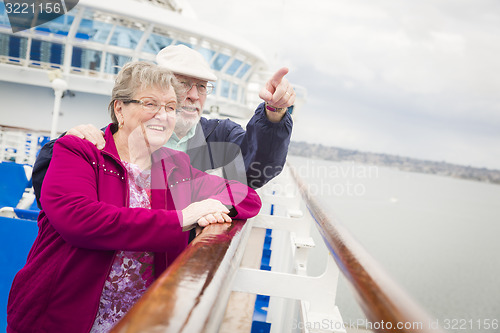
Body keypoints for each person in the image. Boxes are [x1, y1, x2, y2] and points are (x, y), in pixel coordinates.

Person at [7, 61, 262, 333]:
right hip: (60, 319)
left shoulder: (174, 167)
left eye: (170, 107)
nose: (162, 116)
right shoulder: (80, 151)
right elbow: (79, 221)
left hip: (144, 321)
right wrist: (183, 219)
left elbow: (247, 198)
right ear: (120, 109)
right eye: (150, 104)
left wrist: (210, 210)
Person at [32, 45, 295, 209]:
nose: (193, 95)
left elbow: (257, 172)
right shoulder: (114, 139)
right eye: (183, 84)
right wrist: (64, 144)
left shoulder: (220, 136)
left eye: (202, 86)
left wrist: (274, 113)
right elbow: (55, 194)